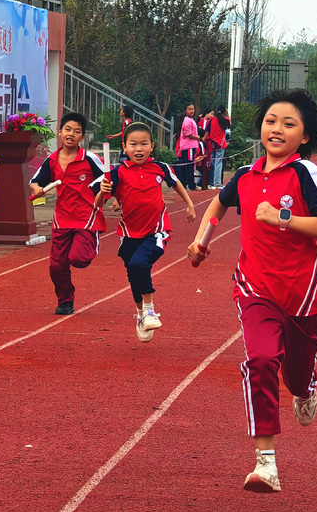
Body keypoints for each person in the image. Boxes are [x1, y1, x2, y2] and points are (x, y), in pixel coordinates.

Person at [187, 88, 317, 494]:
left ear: (304, 136)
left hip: (303, 293)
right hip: (254, 287)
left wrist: (281, 217)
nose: (277, 129)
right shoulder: (244, 176)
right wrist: (203, 241)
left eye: (289, 124)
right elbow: (217, 206)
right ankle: (265, 463)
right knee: (260, 360)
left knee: (297, 375)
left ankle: (306, 389)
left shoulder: (309, 175)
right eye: (271, 121)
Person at [95, 123, 197, 342]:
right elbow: (99, 202)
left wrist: (189, 204)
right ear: (124, 147)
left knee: (139, 264)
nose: (138, 149)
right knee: (134, 275)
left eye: (143, 144)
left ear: (152, 146)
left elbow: (176, 183)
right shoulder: (117, 172)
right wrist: (103, 194)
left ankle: (150, 310)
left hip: (156, 230)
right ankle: (141, 313)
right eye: (133, 144)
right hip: (129, 233)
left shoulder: (160, 168)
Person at [29, 112, 107, 315]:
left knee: (79, 258)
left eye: (77, 131)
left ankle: (91, 244)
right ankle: (65, 300)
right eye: (68, 130)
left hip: (86, 217)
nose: (71, 134)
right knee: (56, 266)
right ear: (60, 132)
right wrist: (37, 189)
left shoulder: (90, 159)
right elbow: (35, 181)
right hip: (62, 218)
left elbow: (109, 177)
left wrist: (106, 190)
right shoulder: (52, 160)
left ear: (82, 137)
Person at [174, 104, 202, 190]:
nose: (191, 111)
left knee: (188, 165)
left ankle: (185, 183)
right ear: (185, 111)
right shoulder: (187, 121)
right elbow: (188, 134)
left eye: (193, 109)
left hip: (190, 146)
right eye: (189, 109)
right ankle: (191, 185)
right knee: (189, 165)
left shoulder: (190, 120)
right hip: (188, 146)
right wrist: (198, 137)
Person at [208, 108, 231, 189]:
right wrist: (227, 113)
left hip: (212, 142)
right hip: (220, 143)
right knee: (218, 163)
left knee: (212, 162)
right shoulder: (224, 120)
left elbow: (208, 131)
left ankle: (211, 182)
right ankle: (217, 183)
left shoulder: (211, 120)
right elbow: (229, 124)